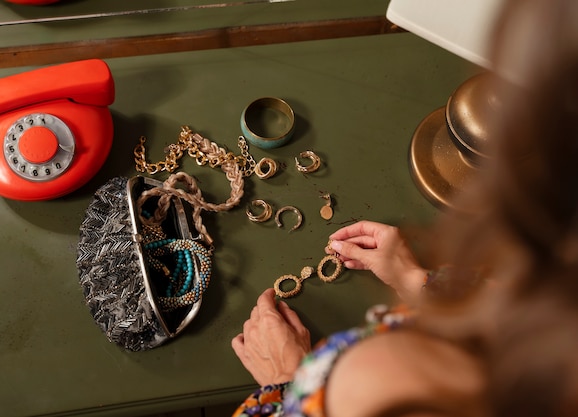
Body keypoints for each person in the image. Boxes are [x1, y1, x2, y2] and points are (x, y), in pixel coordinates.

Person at [230, 0, 578, 415]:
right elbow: (513, 308)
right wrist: (417, 281)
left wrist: (286, 384)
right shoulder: (548, 294)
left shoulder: (385, 382)